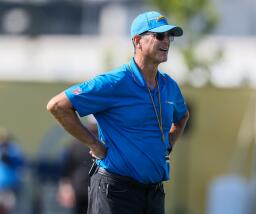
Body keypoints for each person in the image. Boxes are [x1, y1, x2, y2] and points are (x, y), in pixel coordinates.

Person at [47, 11, 189, 214]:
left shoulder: (170, 86)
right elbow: (57, 106)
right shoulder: (114, 82)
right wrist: (94, 144)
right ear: (138, 41)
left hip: (154, 193)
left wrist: (168, 145)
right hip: (115, 192)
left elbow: (182, 116)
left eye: (170, 36)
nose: (166, 41)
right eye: (159, 35)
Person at [57, 122, 97, 214]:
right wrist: (65, 187)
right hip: (81, 193)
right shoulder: (75, 144)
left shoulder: (106, 143)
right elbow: (66, 169)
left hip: (100, 192)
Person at [0, 128, 25, 214]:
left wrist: (9, 157)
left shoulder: (13, 149)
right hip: (1, 186)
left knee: (9, 208)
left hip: (10, 186)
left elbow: (21, 162)